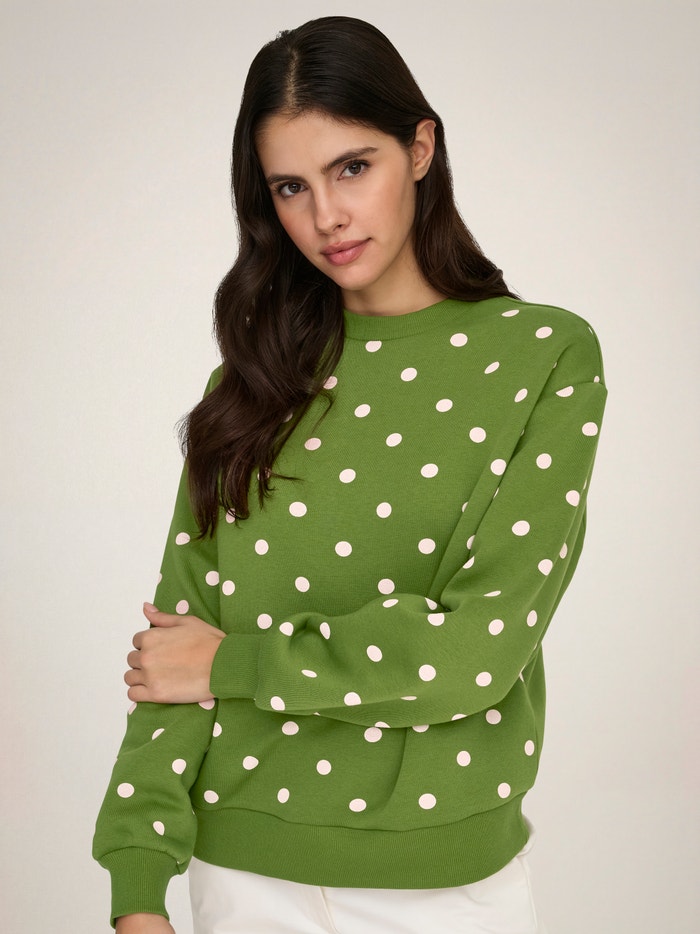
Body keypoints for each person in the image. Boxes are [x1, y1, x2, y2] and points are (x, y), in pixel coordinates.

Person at [93, 15, 606, 934]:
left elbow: (475, 653)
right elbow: (176, 649)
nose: (325, 216)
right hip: (238, 879)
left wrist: (238, 663)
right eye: (290, 186)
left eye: (352, 168)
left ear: (421, 149)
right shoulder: (248, 386)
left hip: (446, 889)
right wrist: (137, 887)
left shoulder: (544, 357)